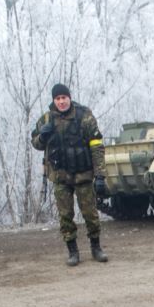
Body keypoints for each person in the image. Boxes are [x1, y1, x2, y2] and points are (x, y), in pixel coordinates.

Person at [32, 83, 109, 266]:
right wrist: (42, 136)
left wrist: (100, 176)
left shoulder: (84, 116)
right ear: (54, 100)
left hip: (83, 175)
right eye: (57, 99)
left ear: (69, 98)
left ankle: (96, 247)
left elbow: (97, 146)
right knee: (65, 216)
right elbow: (35, 143)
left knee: (90, 214)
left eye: (64, 98)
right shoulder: (46, 119)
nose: (61, 102)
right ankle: (72, 251)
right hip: (60, 176)